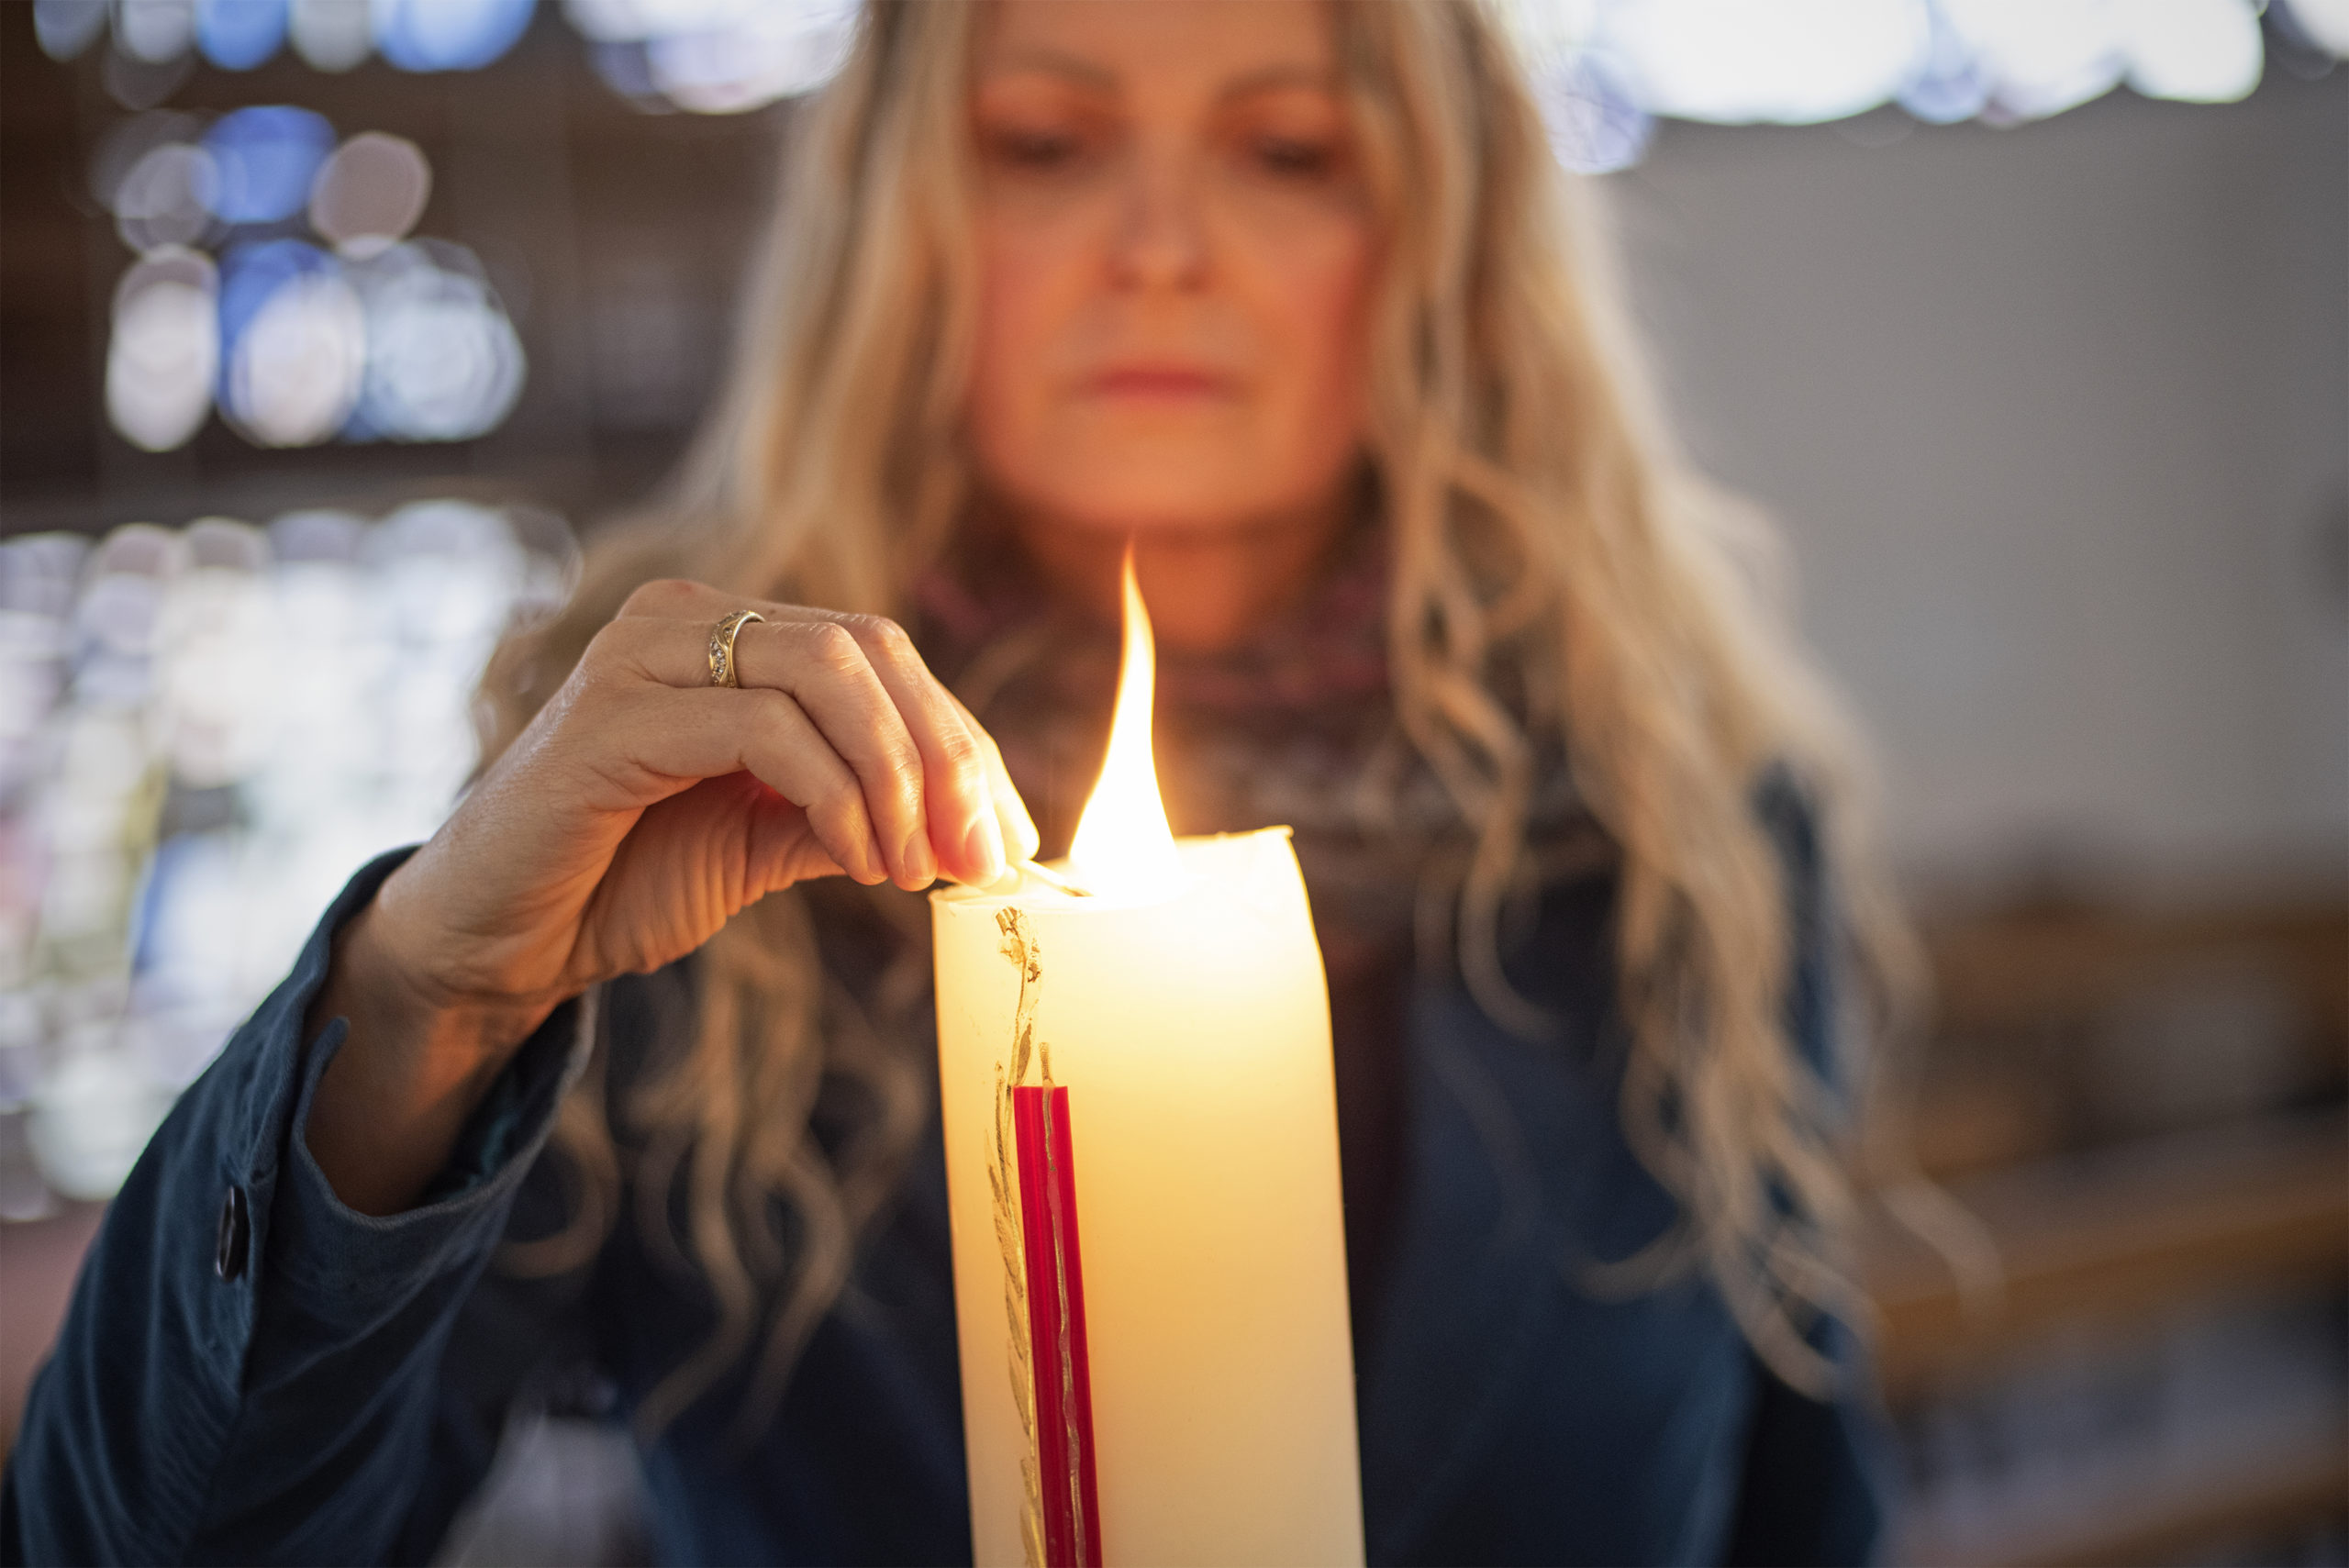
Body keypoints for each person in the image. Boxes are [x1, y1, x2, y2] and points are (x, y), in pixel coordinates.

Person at [6, 2, 1909, 1562]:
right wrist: (424, 998)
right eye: (1045, 144)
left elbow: (1796, 1512)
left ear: (1435, 236)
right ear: (905, 227)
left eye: (1284, 151)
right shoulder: (679, 811)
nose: (1157, 243)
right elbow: (144, 1543)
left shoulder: (1678, 826)